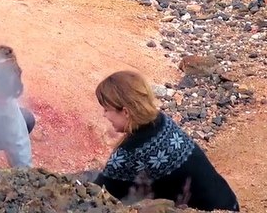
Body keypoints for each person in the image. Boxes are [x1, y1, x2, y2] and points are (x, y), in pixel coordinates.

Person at [92, 70, 239, 211]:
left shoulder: (128, 154)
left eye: (106, 110)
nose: (104, 115)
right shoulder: (161, 121)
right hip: (229, 203)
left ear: (125, 112)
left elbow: (96, 195)